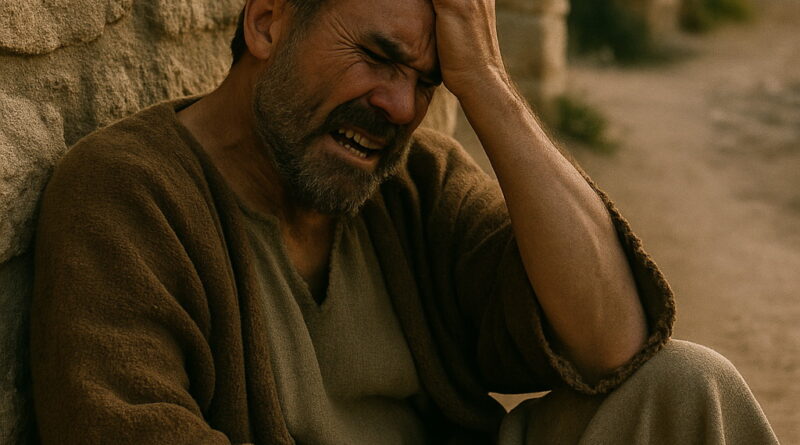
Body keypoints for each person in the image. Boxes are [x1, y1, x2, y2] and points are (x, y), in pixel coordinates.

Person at [29, 0, 778, 443]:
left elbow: (612, 338)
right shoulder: (126, 192)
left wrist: (487, 84)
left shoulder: (414, 185)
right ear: (266, 23)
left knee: (688, 384)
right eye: (378, 57)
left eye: (426, 80)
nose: (399, 106)